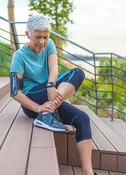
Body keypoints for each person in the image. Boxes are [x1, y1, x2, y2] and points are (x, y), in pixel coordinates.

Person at [10, 14, 94, 175]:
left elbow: (54, 68)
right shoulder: (19, 57)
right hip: (33, 100)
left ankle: (87, 172)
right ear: (27, 34)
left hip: (50, 96)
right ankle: (46, 113)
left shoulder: (49, 44)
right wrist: (39, 108)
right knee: (75, 73)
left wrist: (50, 86)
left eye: (45, 37)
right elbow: (15, 92)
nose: (42, 41)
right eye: (37, 37)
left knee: (83, 118)